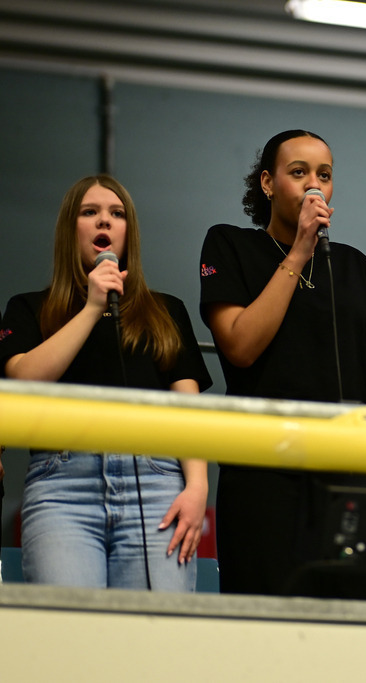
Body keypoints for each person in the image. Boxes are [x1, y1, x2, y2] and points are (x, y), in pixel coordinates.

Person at [199, 129, 366, 597]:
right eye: (298, 172)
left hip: (345, 472)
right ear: (267, 183)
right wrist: (301, 249)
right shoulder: (230, 245)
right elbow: (240, 346)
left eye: (323, 175)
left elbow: (362, 379)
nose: (313, 186)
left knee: (356, 623)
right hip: (264, 472)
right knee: (268, 620)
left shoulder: (353, 265)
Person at [0, 174, 211, 590]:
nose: (105, 222)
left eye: (117, 214)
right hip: (62, 485)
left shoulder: (166, 309)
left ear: (129, 231)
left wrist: (198, 486)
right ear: (69, 229)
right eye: (90, 212)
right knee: (72, 634)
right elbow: (23, 379)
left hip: (156, 483)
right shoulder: (29, 308)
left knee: (155, 635)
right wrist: (92, 307)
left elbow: (189, 408)